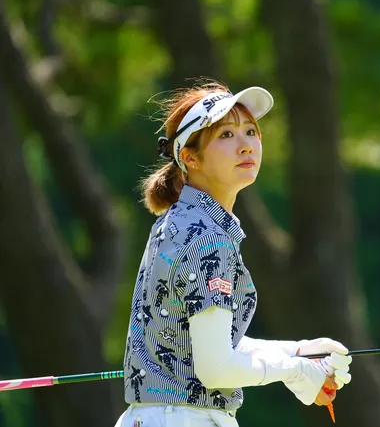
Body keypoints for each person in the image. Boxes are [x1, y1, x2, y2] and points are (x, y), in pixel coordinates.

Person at [113, 82, 353, 427]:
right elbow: (216, 368)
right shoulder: (207, 239)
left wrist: (295, 352)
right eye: (226, 135)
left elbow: (205, 342)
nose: (246, 145)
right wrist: (296, 371)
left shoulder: (179, 222)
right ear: (190, 157)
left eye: (251, 131)